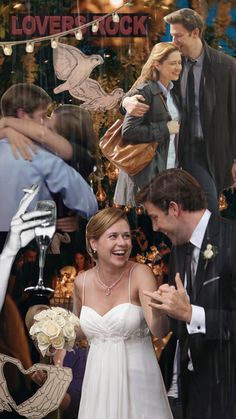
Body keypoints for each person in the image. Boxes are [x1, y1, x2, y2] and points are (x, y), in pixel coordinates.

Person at [136, 168, 236, 419]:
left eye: (155, 217)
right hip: (192, 389)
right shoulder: (179, 248)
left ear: (174, 208)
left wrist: (191, 313)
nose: (155, 227)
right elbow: (181, 326)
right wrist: (166, 310)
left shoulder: (232, 240)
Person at [122, 8, 236, 213]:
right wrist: (126, 102)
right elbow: (134, 92)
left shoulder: (226, 67)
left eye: (178, 35)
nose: (173, 40)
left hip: (210, 150)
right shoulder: (169, 60)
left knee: (208, 204)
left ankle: (210, 243)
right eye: (171, 35)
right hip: (170, 147)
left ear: (196, 33)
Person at [73, 207, 173, 419]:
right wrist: (52, 328)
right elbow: (79, 331)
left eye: (126, 236)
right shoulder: (81, 282)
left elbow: (160, 330)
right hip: (98, 381)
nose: (123, 243)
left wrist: (161, 310)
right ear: (94, 243)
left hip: (137, 381)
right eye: (113, 236)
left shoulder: (140, 274)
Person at [0, 83, 98, 233]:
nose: (45, 124)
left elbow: (42, 135)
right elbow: (89, 206)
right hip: (32, 241)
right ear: (23, 115)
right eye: (43, 116)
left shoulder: (71, 154)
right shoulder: (44, 159)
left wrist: (7, 123)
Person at [121, 42, 181, 191]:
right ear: (157, 65)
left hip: (169, 169)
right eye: (173, 63)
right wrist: (165, 128)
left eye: (179, 62)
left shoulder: (174, 91)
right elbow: (129, 131)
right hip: (147, 174)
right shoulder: (144, 92)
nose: (178, 67)